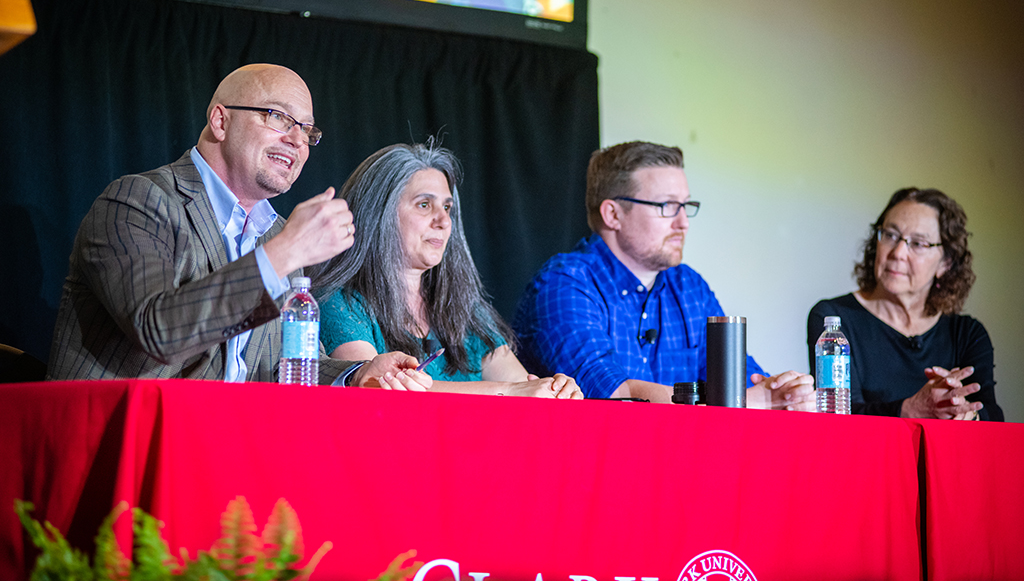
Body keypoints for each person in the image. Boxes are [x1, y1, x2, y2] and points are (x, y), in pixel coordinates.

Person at [48, 64, 428, 390]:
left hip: (225, 444)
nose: (297, 140)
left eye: (308, 131)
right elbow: (157, 332)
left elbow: (282, 366)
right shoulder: (138, 202)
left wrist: (359, 373)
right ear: (221, 120)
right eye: (279, 117)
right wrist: (286, 252)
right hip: (121, 444)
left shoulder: (277, 233)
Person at [513, 141, 814, 408]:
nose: (683, 222)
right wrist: (747, 400)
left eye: (686, 205)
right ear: (613, 214)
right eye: (667, 206)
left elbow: (744, 383)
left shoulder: (689, 286)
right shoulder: (565, 285)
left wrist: (785, 395)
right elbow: (611, 396)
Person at [308, 143, 582, 399]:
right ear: (380, 213)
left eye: (447, 207)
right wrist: (510, 391)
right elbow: (376, 390)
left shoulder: (467, 309)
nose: (443, 220)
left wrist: (554, 390)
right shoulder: (339, 302)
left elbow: (523, 385)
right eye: (424, 205)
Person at [807, 188, 1002, 421]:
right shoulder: (834, 320)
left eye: (918, 243)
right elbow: (839, 416)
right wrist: (908, 410)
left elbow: (993, 416)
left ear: (946, 263)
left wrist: (966, 412)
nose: (898, 252)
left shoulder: (967, 334)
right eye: (890, 235)